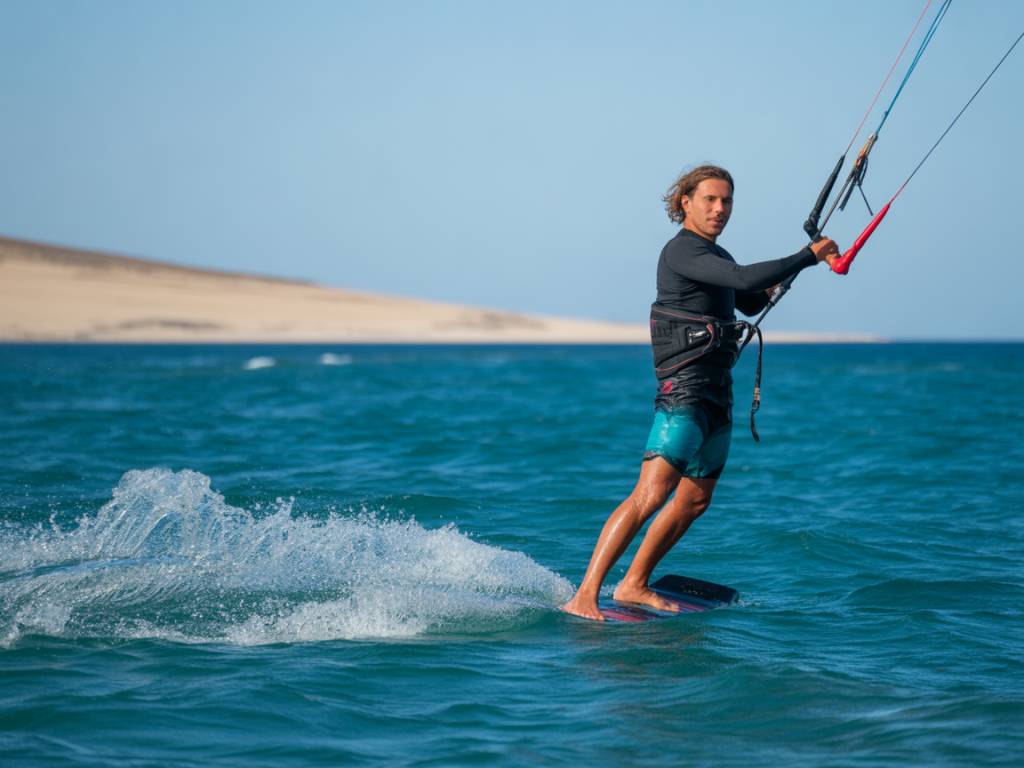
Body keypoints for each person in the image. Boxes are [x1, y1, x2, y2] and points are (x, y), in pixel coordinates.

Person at [562, 164, 839, 621]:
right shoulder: (681, 252)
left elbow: (749, 295)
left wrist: (786, 276)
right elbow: (746, 278)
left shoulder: (715, 257)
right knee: (649, 495)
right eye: (710, 199)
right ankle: (584, 594)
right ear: (685, 202)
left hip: (717, 397)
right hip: (684, 395)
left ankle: (633, 584)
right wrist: (807, 255)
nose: (719, 209)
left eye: (727, 201)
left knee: (694, 500)